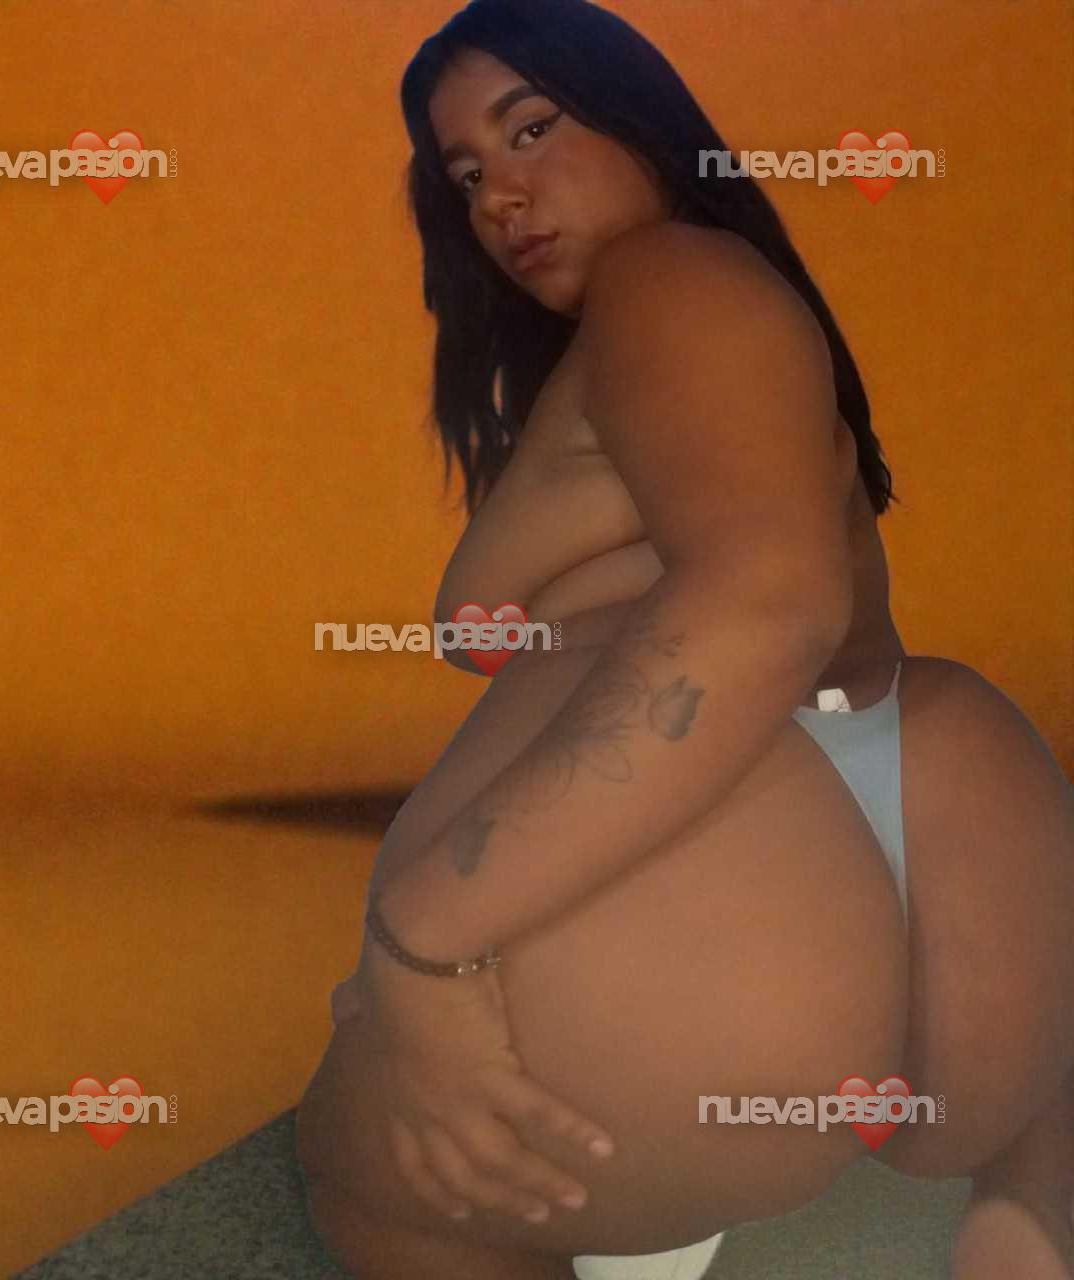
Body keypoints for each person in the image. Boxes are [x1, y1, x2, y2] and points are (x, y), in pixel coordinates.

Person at [294, 2, 1074, 1277]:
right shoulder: (673, 336)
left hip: (744, 860)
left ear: (642, 122)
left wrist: (421, 938)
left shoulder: (669, 280)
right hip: (928, 795)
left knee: (365, 1172)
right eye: (466, 174)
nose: (500, 197)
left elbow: (765, 602)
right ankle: (1028, 1176)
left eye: (530, 129)